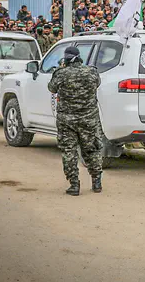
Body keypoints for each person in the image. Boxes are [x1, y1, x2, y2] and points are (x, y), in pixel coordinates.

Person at [47, 46, 104, 196]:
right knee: (92, 148)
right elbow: (97, 83)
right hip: (89, 118)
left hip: (67, 120)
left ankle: (74, 185)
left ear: (65, 58)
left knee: (69, 151)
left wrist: (60, 70)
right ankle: (96, 181)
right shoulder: (91, 71)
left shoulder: (61, 73)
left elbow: (51, 88)